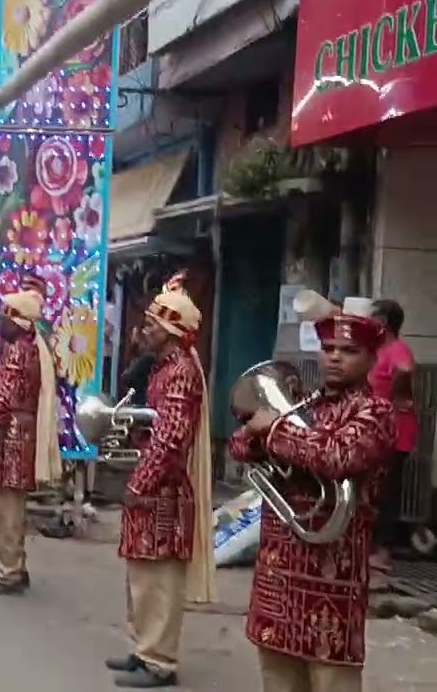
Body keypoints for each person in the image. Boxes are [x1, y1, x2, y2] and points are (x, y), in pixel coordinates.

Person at [229, 295, 392, 692]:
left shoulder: (375, 412)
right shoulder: (307, 404)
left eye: (349, 351)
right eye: (328, 348)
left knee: (331, 679)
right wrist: (260, 432)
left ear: (371, 359)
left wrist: (274, 430)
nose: (334, 357)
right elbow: (239, 445)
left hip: (332, 575)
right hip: (279, 569)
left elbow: (337, 456)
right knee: (277, 677)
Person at [105, 272, 216, 688]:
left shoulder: (180, 372)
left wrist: (141, 483)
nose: (144, 330)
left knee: (160, 579)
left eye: (151, 324)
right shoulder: (162, 368)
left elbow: (170, 440)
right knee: (142, 573)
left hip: (164, 489)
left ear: (170, 331)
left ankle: (160, 661)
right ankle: (143, 648)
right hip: (154, 484)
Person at [0, 289, 62, 595]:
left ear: (17, 321)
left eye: (3, 317)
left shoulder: (19, 350)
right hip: (18, 434)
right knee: (11, 506)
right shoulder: (28, 347)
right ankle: (14, 567)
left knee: (4, 507)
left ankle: (8, 571)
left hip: (11, 437)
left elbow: (3, 400)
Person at [367, 298, 416, 573]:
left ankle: (383, 551)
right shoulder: (378, 350)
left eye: (372, 317)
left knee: (387, 491)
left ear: (383, 322)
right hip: (378, 432)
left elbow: (405, 370)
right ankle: (372, 547)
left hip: (395, 432)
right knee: (374, 490)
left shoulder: (397, 349)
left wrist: (395, 396)